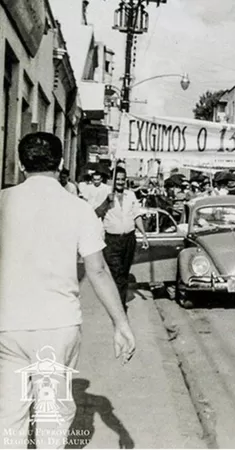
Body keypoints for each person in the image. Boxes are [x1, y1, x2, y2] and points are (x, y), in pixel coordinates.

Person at [0, 132, 135, 448]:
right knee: (51, 418)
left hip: (7, 323)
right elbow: (98, 270)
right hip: (57, 326)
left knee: (9, 414)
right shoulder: (78, 208)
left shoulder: (3, 202)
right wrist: (121, 323)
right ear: (61, 164)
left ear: (21, 164)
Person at [96, 168, 150, 310]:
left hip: (129, 239)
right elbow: (96, 213)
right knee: (116, 272)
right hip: (111, 241)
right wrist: (107, 202)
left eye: (122, 179)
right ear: (112, 180)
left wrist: (143, 234)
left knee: (124, 272)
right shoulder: (104, 193)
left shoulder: (130, 195)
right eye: (117, 179)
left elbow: (136, 216)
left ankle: (118, 300)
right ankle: (119, 305)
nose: (120, 182)